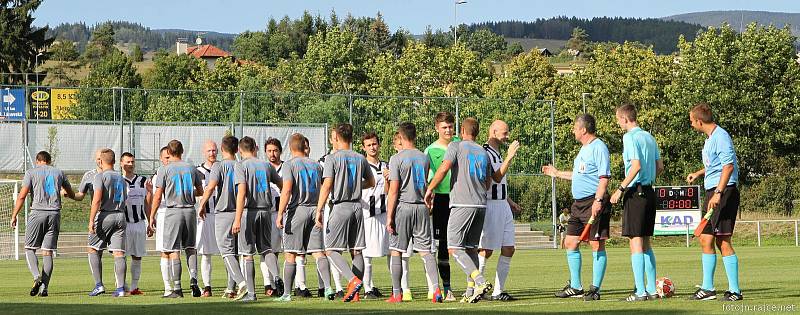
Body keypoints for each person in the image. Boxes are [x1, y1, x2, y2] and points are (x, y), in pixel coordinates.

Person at [425, 117, 519, 304]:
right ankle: (470, 291)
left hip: (461, 204)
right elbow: (488, 182)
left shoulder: (456, 146)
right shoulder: (482, 152)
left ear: (462, 132)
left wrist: (429, 189)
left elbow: (444, 169)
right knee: (471, 249)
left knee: (453, 247)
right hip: (481, 205)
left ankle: (480, 281)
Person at [543, 114, 612, 301]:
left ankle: (595, 288)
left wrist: (598, 201)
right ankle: (575, 286)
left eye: (575, 127)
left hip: (593, 201)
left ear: (583, 130)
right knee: (570, 242)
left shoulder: (599, 147)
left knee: (596, 244)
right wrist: (556, 173)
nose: (573, 130)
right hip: (578, 204)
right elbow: (578, 175)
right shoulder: (583, 150)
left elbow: (604, 177)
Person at [686, 103, 743, 301]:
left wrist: (719, 193)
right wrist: (699, 173)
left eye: (692, 121)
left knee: (723, 240)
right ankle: (708, 289)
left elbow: (728, 167)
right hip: (714, 191)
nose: (691, 125)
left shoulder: (721, 136)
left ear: (699, 121)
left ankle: (735, 291)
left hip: (724, 191)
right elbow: (715, 165)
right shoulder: (710, 139)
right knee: (705, 238)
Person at [315, 123, 375, 302]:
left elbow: (327, 185)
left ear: (336, 138)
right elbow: (371, 182)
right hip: (357, 206)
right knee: (357, 251)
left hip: (340, 206)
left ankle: (352, 280)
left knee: (331, 250)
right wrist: (357, 186)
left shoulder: (332, 159)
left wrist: (319, 209)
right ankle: (355, 294)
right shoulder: (360, 158)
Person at [609, 104, 664, 302]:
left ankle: (640, 291)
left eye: (618, 120)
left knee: (635, 242)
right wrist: (648, 181)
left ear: (624, 119)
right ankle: (652, 288)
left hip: (636, 192)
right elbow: (660, 166)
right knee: (646, 242)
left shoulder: (629, 137)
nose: (618, 123)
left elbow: (636, 166)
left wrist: (620, 189)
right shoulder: (649, 137)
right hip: (649, 192)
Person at [385, 122, 443, 303]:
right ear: (415, 136)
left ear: (401, 137)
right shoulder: (423, 157)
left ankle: (396, 294)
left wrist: (389, 217)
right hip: (421, 208)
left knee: (396, 250)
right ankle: (436, 290)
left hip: (404, 206)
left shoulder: (396, 158)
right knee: (426, 251)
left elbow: (393, 190)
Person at [274, 133, 330, 302]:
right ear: (304, 147)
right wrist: (319, 210)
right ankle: (328, 288)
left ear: (290, 148)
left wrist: (280, 213)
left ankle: (287, 294)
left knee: (290, 253)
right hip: (315, 209)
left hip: (297, 210)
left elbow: (287, 189)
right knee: (318, 252)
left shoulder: (290, 165)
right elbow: (323, 188)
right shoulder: (316, 165)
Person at [10, 151, 75, 297]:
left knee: (29, 248)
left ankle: (36, 276)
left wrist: (14, 215)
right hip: (54, 214)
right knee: (48, 252)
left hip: (37, 213)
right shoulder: (59, 173)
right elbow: (70, 193)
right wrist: (69, 195)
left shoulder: (31, 173)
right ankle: (44, 288)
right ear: (49, 160)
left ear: (37, 161)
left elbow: (22, 195)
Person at [149, 140, 204, 298]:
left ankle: (178, 288)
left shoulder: (164, 169)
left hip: (173, 211)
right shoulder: (191, 168)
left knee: (173, 249)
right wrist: (187, 194)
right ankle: (193, 278)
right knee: (190, 247)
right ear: (182, 151)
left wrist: (152, 216)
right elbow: (200, 191)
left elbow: (158, 195)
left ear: (169, 152)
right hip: (190, 211)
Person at [197, 136, 249, 300]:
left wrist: (202, 204)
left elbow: (211, 186)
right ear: (237, 149)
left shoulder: (219, 166)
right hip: (240, 211)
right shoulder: (241, 165)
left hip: (224, 212)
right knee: (233, 252)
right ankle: (230, 288)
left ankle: (242, 283)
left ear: (221, 148)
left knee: (226, 252)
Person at [234, 136, 284, 302]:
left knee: (247, 254)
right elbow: (282, 184)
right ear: (255, 148)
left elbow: (241, 193)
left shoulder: (241, 166)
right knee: (266, 249)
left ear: (240, 151)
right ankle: (276, 277)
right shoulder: (266, 165)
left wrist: (237, 219)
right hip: (266, 211)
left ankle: (251, 293)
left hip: (250, 212)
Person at [478, 120, 523, 301]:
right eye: (504, 133)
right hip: (490, 205)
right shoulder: (485, 152)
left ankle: (498, 291)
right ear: (494, 132)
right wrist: (509, 157)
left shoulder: (498, 153)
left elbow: (501, 183)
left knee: (509, 248)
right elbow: (495, 178)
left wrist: (509, 201)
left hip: (502, 205)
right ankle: (478, 288)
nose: (507, 136)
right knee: (486, 250)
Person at [423, 112, 457, 301]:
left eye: (450, 126)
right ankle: (446, 288)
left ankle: (473, 285)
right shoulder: (430, 150)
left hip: (460, 199)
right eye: (444, 127)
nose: (448, 130)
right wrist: (430, 194)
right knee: (442, 245)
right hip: (442, 200)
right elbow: (428, 177)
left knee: (467, 244)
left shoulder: (459, 144)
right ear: (437, 128)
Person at [86, 148, 129, 297]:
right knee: (119, 253)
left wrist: (91, 220)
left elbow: (97, 199)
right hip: (120, 216)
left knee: (93, 249)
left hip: (105, 215)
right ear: (115, 161)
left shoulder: (100, 176)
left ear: (101, 161)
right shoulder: (121, 178)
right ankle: (121, 288)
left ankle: (99, 285)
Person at [359, 132, 389, 299]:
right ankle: (367, 288)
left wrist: (389, 178)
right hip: (367, 213)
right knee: (367, 253)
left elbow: (390, 190)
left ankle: (397, 287)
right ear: (363, 147)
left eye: (375, 144)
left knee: (391, 251)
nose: (372, 147)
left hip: (384, 213)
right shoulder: (362, 166)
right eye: (369, 145)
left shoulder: (386, 165)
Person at [120, 152, 151, 295]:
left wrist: (151, 221)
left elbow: (147, 203)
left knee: (137, 255)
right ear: (121, 163)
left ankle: (134, 287)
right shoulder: (118, 180)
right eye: (127, 162)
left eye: (132, 162)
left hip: (139, 222)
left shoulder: (143, 180)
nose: (130, 164)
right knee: (120, 255)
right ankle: (121, 285)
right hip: (123, 223)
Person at [264, 137, 292, 297]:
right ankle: (271, 284)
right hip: (271, 214)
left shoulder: (286, 167)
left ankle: (296, 286)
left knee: (290, 250)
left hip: (287, 213)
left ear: (280, 151)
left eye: (275, 150)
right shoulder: (264, 168)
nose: (272, 154)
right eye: (269, 151)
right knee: (270, 251)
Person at [195, 140, 221, 297]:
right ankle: (207, 286)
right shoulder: (197, 171)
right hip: (204, 217)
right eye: (209, 151)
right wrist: (201, 203)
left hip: (222, 215)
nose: (212, 153)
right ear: (204, 152)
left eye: (214, 150)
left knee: (229, 252)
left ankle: (232, 286)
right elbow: (194, 192)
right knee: (205, 253)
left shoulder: (223, 168)